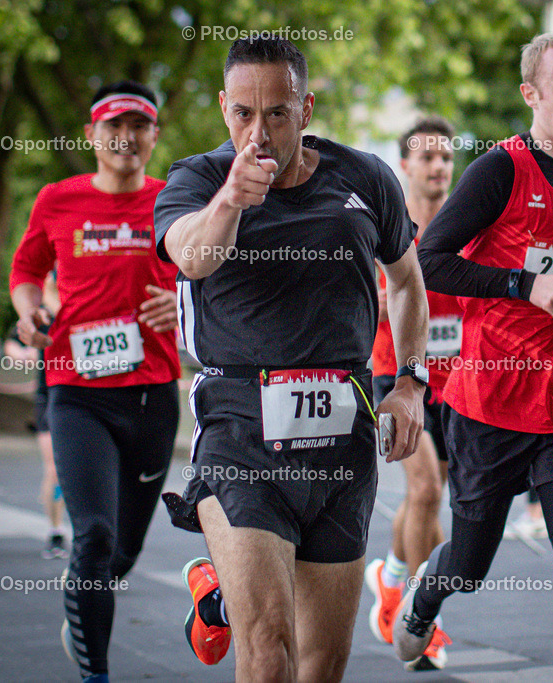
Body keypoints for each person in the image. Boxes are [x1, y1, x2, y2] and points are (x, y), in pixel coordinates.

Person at [154, 37, 428, 681]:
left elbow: (408, 280)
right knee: (269, 647)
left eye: (277, 113)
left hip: (344, 433)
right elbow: (191, 257)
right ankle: (229, 583)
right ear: (224, 108)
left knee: (322, 660)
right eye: (243, 113)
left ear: (307, 108)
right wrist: (230, 200)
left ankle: (217, 588)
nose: (259, 132)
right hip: (241, 430)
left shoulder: (365, 178)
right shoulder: (195, 179)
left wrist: (410, 382)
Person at [395, 32, 553, 682]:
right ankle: (429, 590)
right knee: (471, 567)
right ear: (532, 94)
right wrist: (521, 284)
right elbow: (430, 259)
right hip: (492, 404)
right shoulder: (500, 171)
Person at [9, 80, 181, 683]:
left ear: (154, 136)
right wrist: (29, 311)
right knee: (96, 537)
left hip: (153, 394)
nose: (126, 137)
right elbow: (27, 268)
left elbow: (213, 272)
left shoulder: (174, 199)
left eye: (139, 125)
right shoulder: (57, 200)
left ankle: (86, 601)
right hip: (76, 391)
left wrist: (183, 306)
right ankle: (96, 674)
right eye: (114, 125)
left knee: (122, 552)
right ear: (91, 135)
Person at [363, 117, 457, 670]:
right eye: (427, 157)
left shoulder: (468, 226)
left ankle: (392, 578)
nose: (439, 166)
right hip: (395, 375)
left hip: (453, 380)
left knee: (433, 496)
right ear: (406, 165)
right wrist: (375, 296)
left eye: (445, 157)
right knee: (424, 491)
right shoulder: (385, 223)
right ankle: (426, 624)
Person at [3, 271, 68, 559]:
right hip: (49, 396)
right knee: (54, 469)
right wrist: (22, 354)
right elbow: (12, 341)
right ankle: (55, 531)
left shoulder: (83, 307)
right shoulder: (41, 313)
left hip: (84, 397)